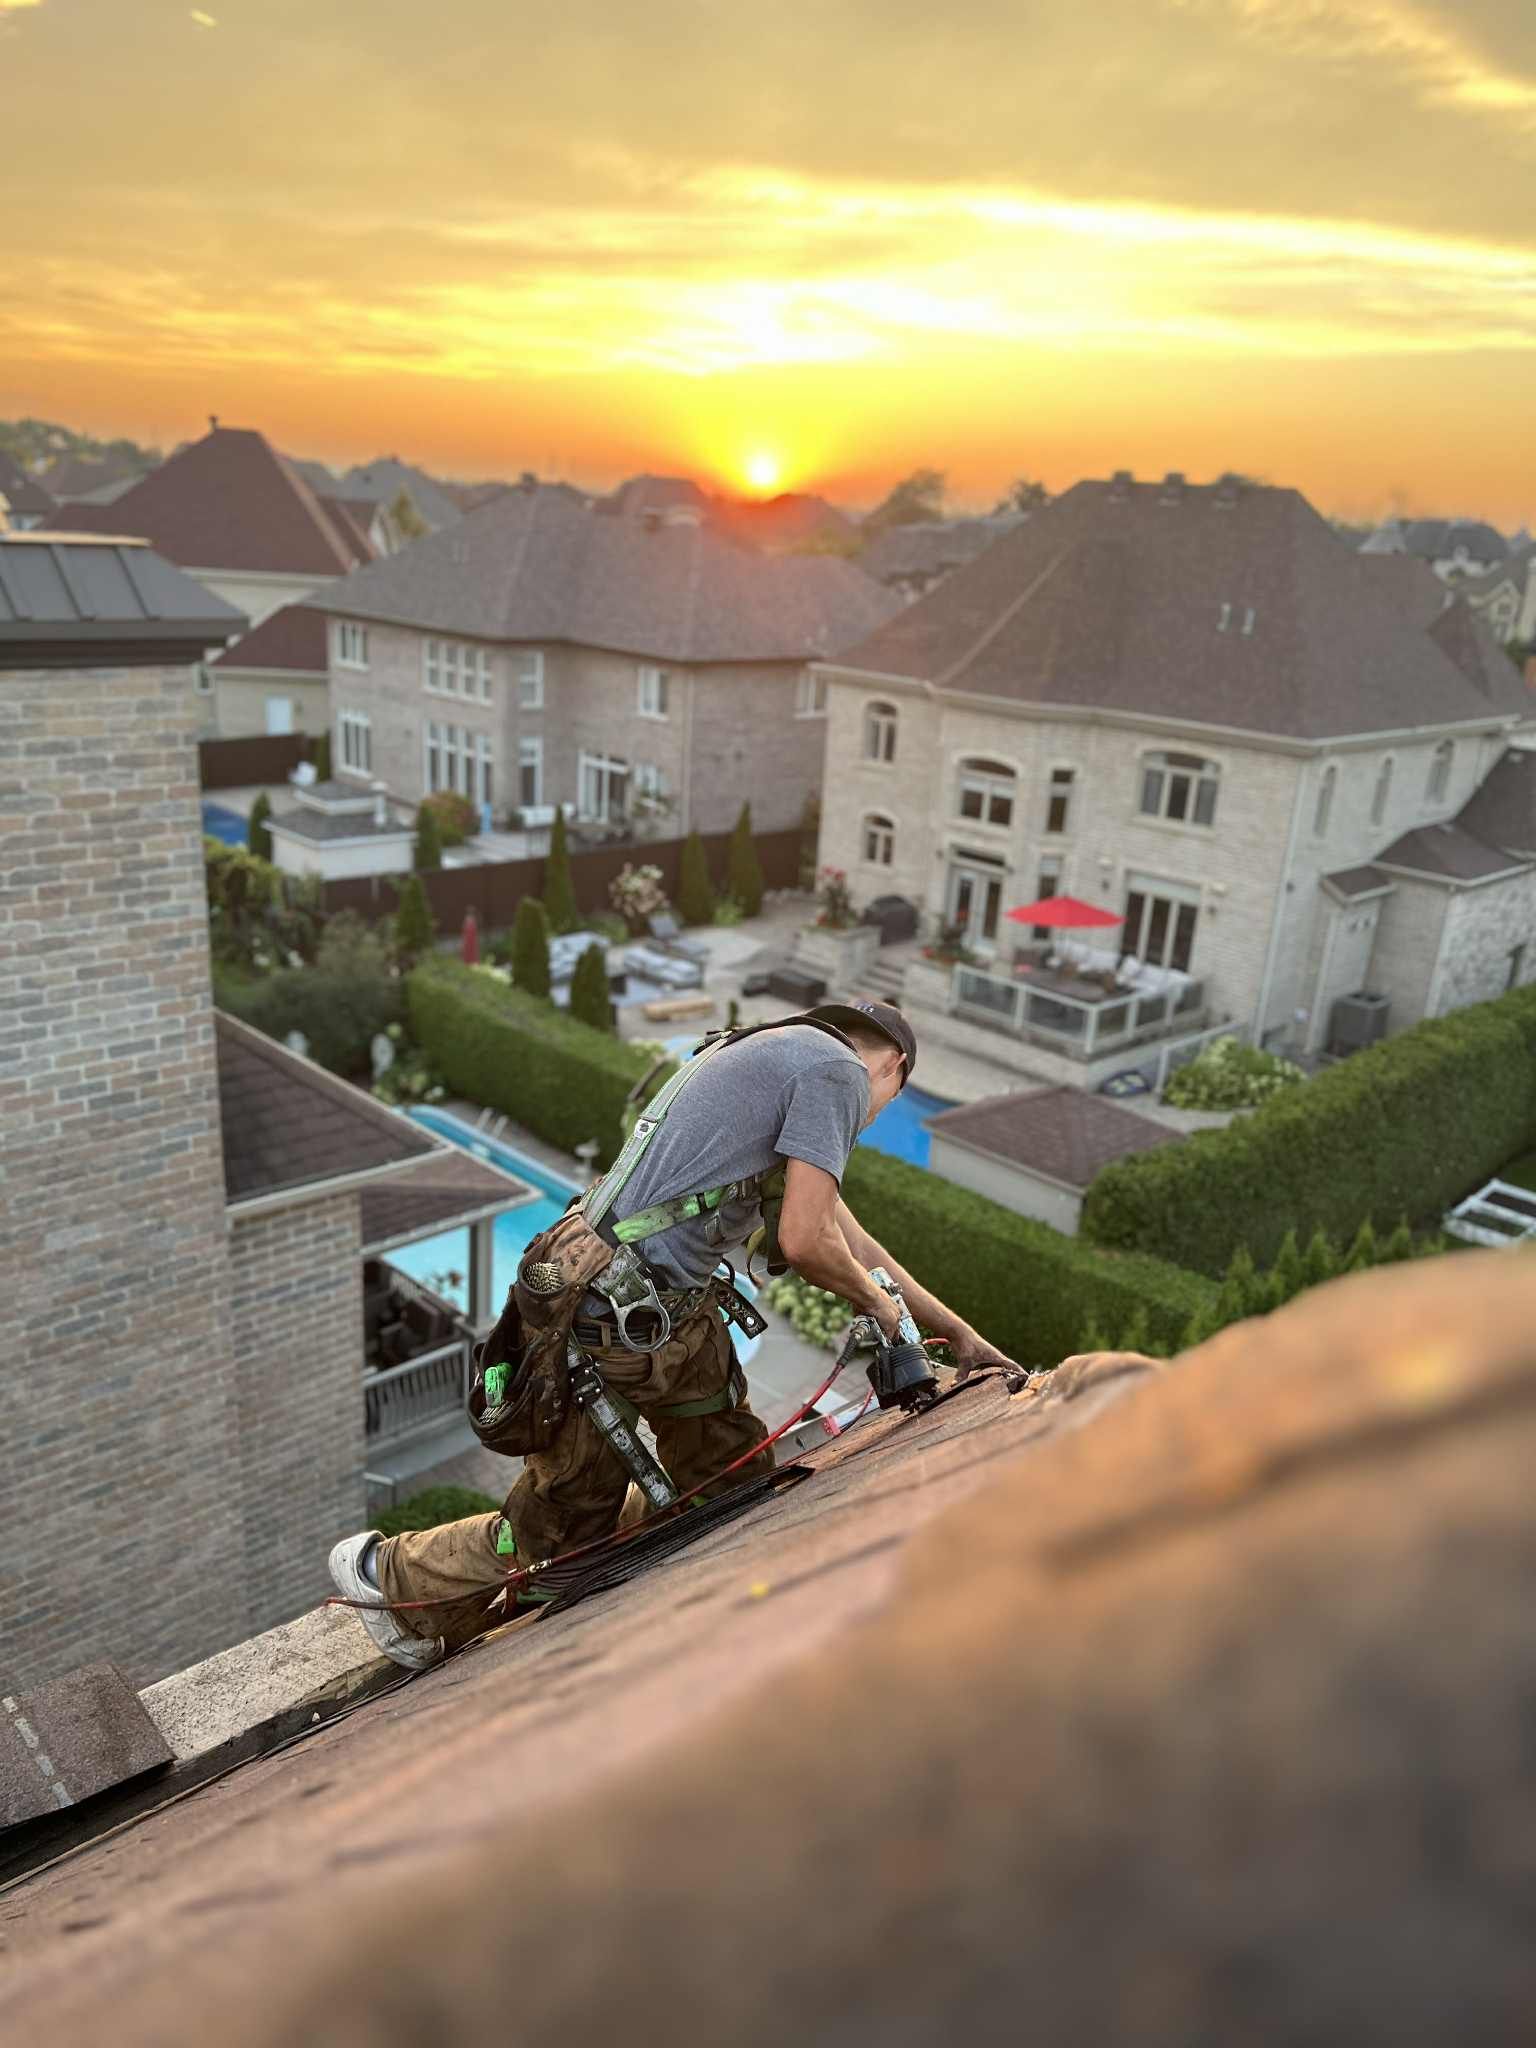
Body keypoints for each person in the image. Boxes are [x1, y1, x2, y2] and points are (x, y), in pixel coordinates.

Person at [330, 1001, 1014, 1667]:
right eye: (889, 1100)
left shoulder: (775, 1051)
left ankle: (697, 1591)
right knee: (564, 1530)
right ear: (893, 1065)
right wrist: (885, 1312)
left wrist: (958, 1333)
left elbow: (848, 1239)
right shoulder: (836, 1073)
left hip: (662, 1312)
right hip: (619, 1316)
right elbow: (806, 1241)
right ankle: (391, 1579)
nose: (871, 1116)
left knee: (730, 1475)